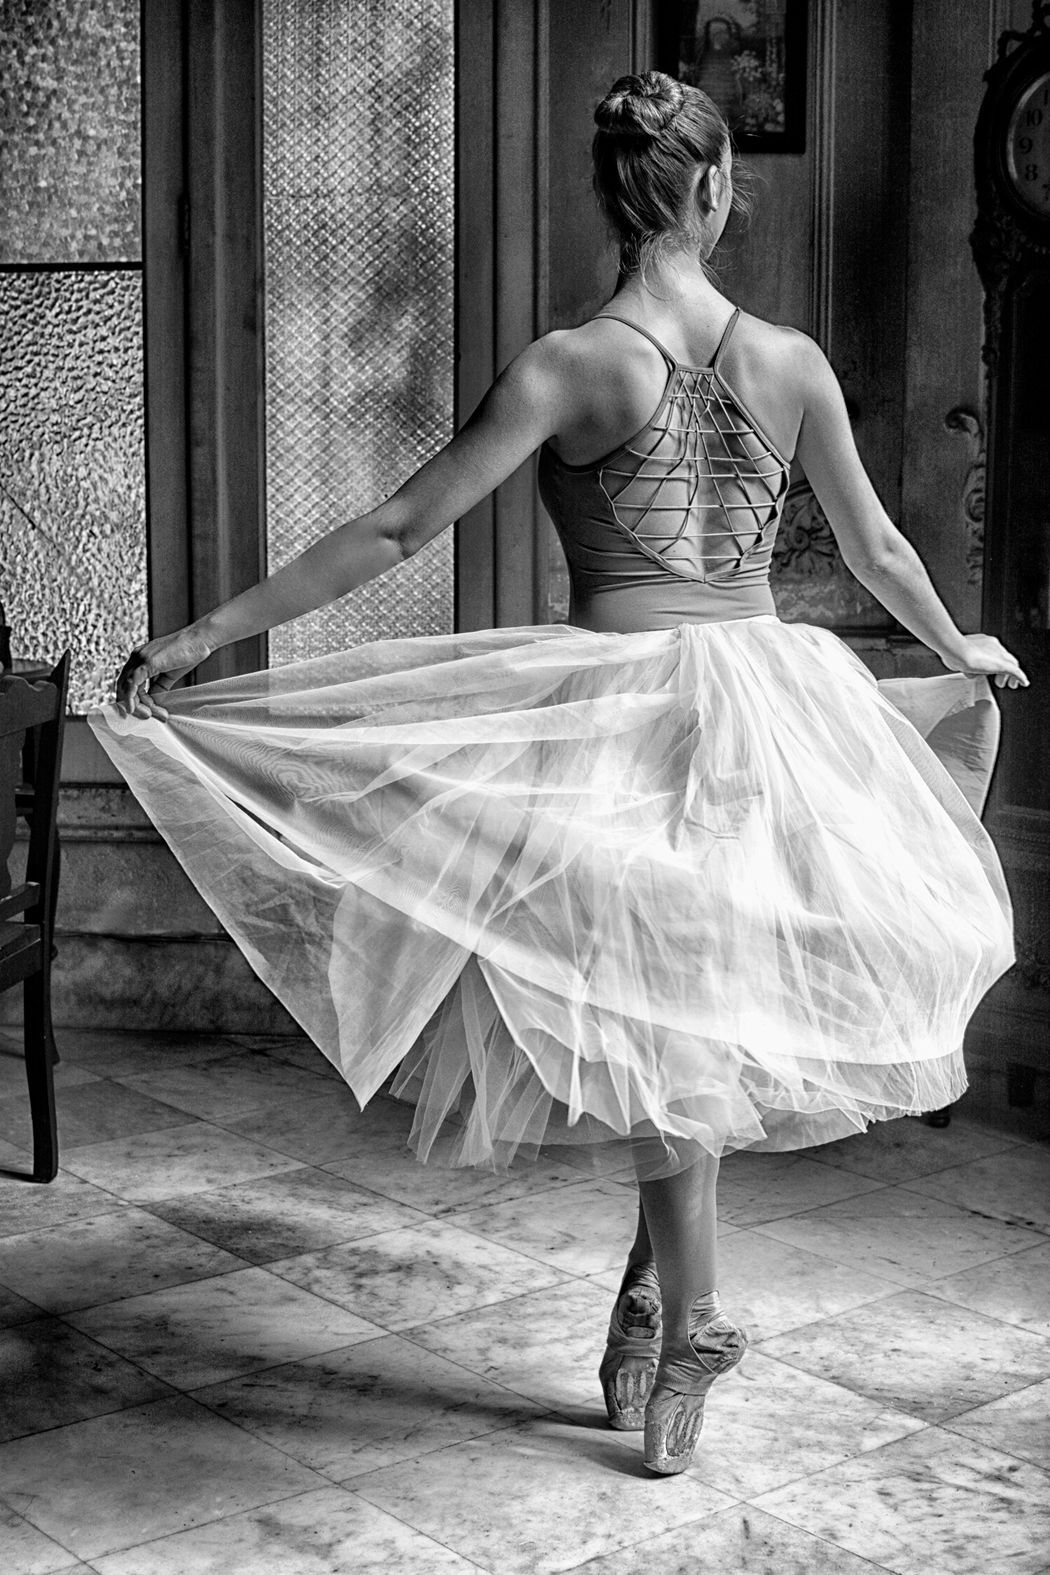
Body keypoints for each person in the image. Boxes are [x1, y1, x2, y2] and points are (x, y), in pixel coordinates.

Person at [92, 71, 1026, 1476]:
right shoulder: (790, 361)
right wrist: (960, 644)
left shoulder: (562, 364)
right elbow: (881, 550)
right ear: (714, 193)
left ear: (612, 198)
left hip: (617, 712)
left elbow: (402, 527)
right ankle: (669, 1292)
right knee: (678, 1016)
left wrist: (210, 633)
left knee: (666, 1015)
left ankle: (685, 1305)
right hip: (768, 705)